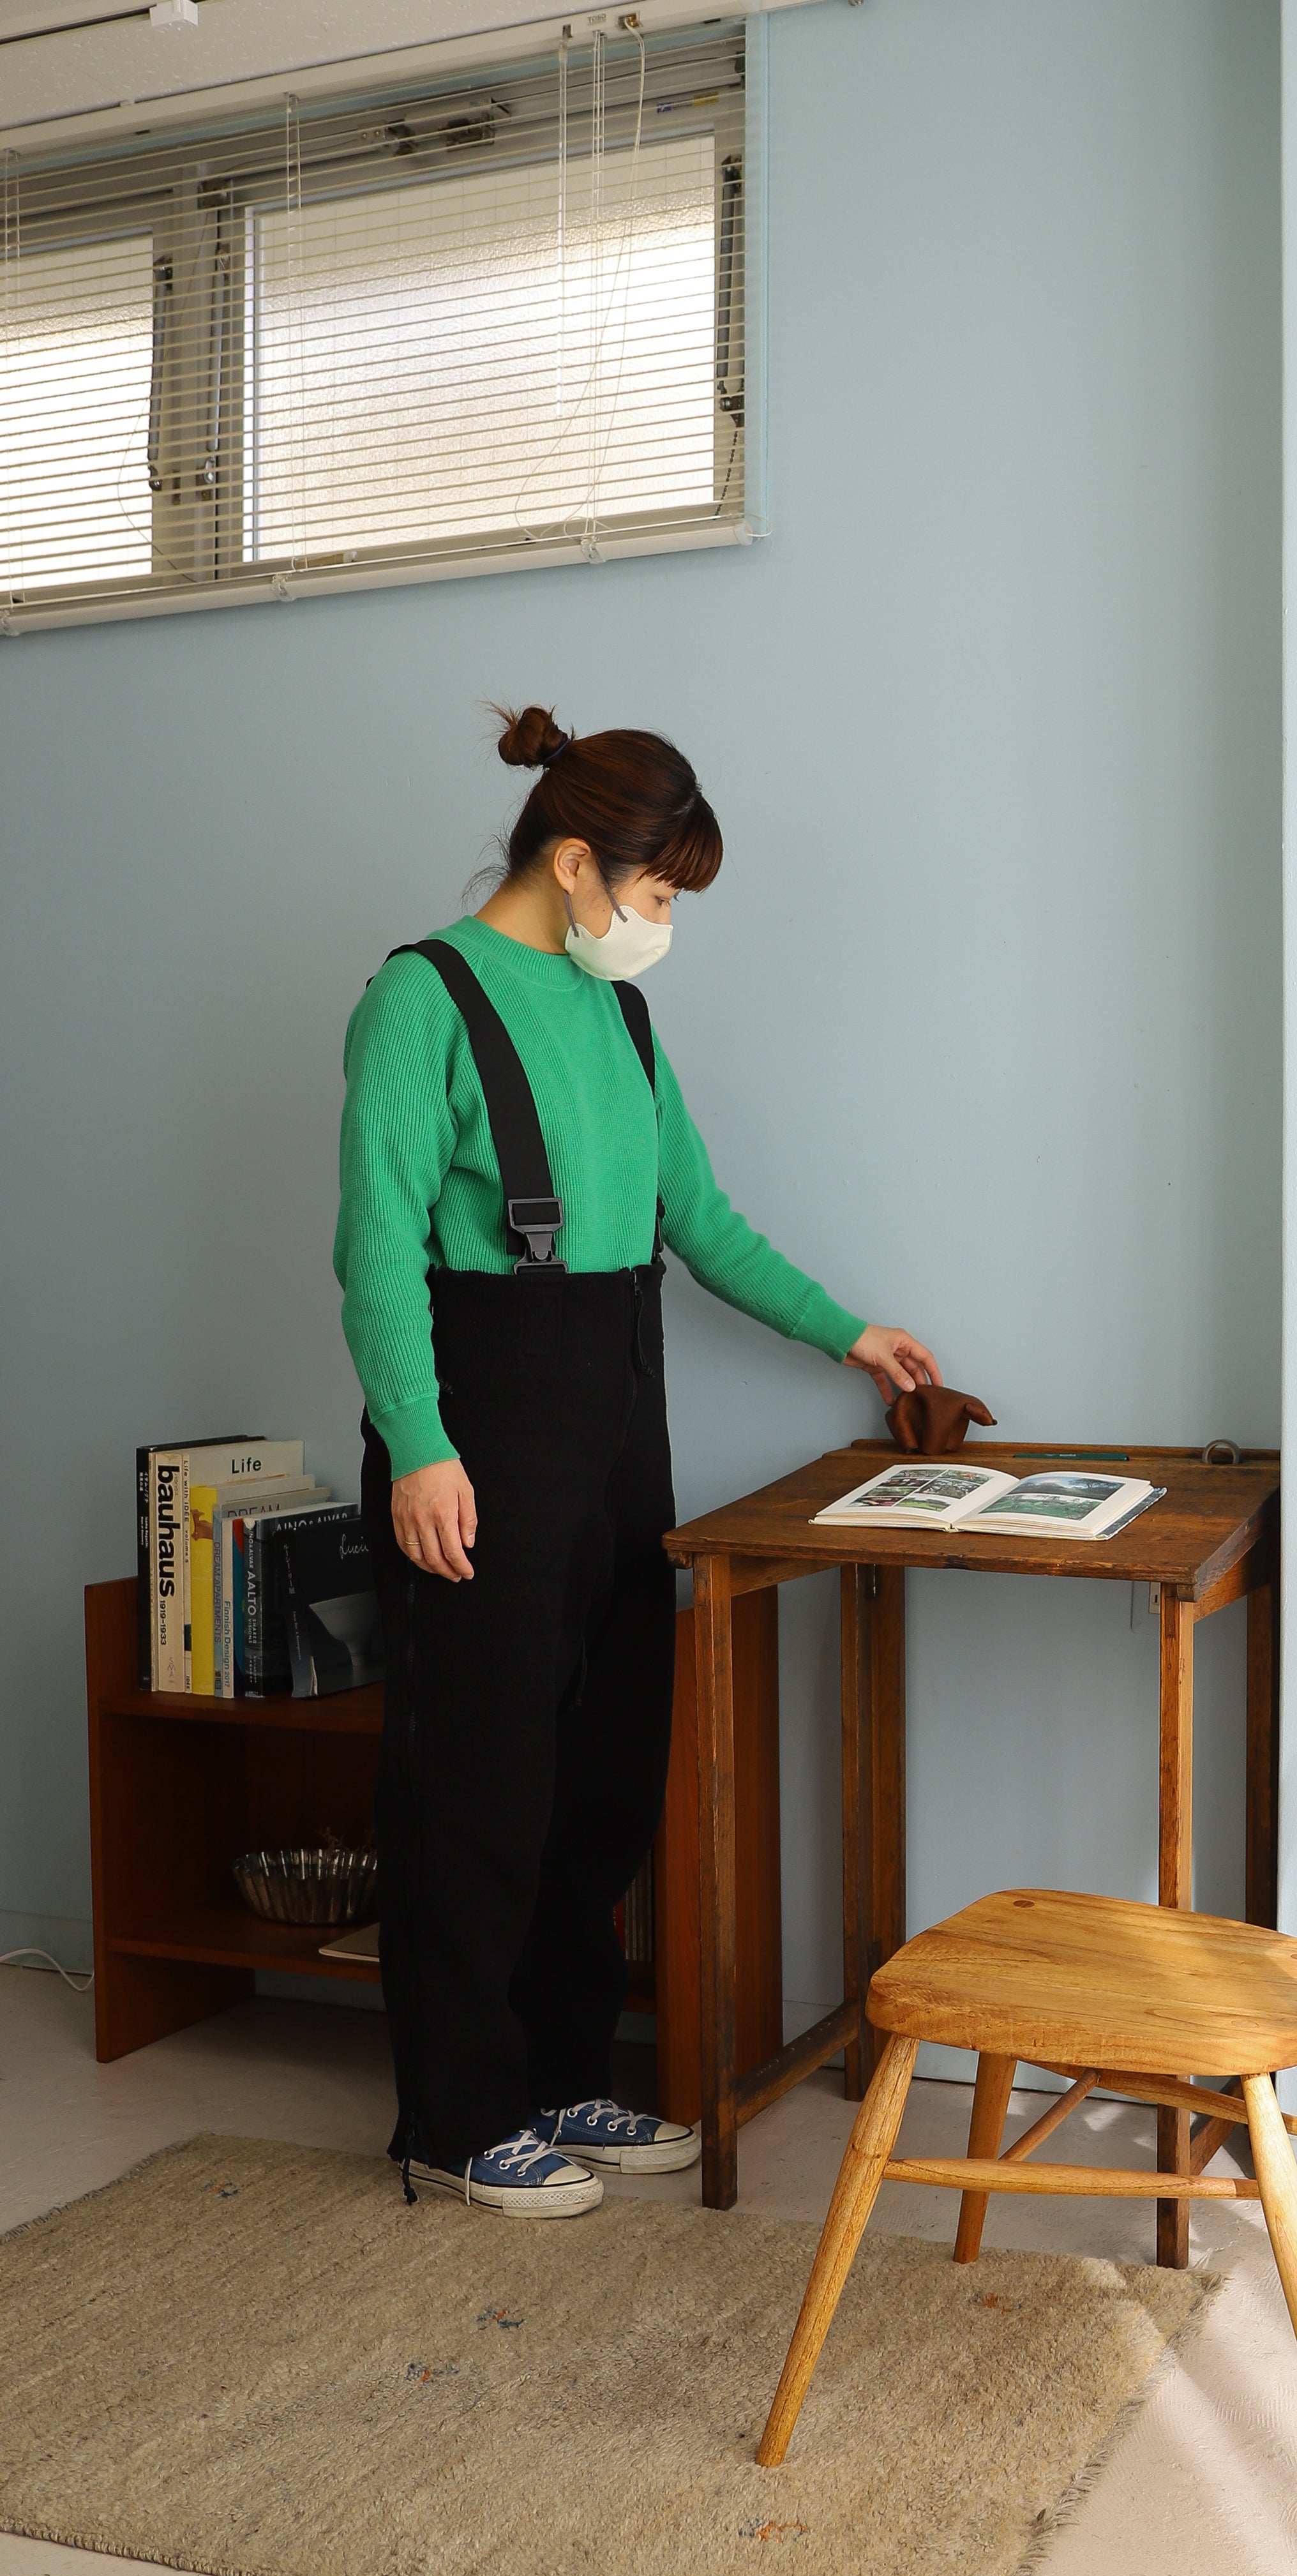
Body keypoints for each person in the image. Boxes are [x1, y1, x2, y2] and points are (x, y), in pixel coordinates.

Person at [335, 706, 940, 2217]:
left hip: (616, 1417)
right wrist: (417, 1446)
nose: (662, 925)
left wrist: (852, 1333)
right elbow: (373, 1249)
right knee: (481, 1776)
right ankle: (456, 2115)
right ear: (574, 862)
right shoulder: (425, 1001)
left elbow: (704, 1221)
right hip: (477, 1428)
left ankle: (555, 2073)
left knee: (601, 1768)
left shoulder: (618, 1013)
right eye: (657, 895)